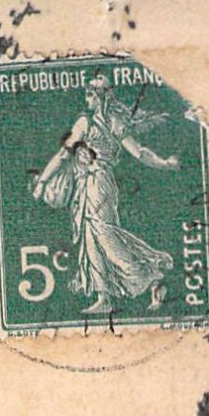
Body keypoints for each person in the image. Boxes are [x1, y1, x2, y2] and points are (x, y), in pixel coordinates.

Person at [32, 75, 180, 315]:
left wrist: (165, 163)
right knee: (92, 237)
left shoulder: (99, 123)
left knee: (103, 235)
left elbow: (139, 152)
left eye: (91, 94)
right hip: (90, 184)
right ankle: (104, 297)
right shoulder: (100, 121)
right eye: (87, 94)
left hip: (98, 184)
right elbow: (65, 154)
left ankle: (150, 276)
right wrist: (163, 163)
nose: (87, 98)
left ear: (101, 96)